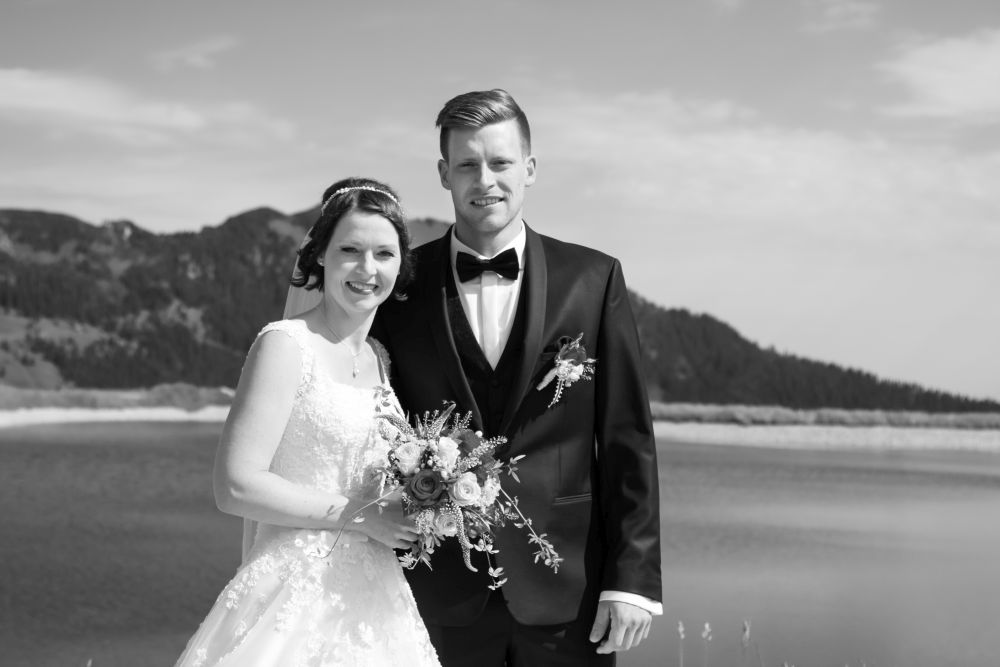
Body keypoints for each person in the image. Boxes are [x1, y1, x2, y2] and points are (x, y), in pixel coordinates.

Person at [372, 89, 662, 666]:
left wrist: (632, 581)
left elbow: (627, 438)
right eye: (467, 165)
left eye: (500, 162)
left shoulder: (594, 278)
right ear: (443, 174)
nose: (485, 180)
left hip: (569, 590)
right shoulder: (399, 285)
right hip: (433, 592)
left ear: (529, 168)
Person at [174, 177, 440, 667]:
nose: (367, 268)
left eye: (384, 254)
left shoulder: (380, 359)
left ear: (400, 264)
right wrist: (361, 516)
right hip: (292, 596)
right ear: (320, 255)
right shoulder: (285, 345)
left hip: (376, 601)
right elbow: (235, 486)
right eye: (350, 250)